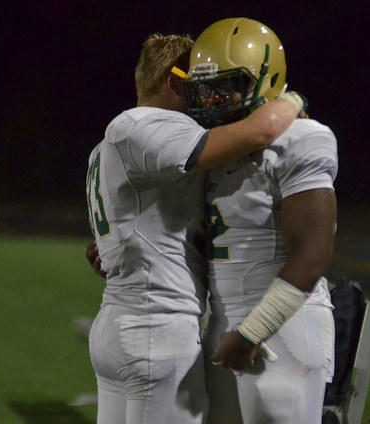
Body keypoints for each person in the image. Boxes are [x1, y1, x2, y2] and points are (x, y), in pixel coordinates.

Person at [85, 33, 305, 424]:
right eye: (201, 85)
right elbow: (262, 131)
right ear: (174, 83)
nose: (210, 98)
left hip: (118, 321)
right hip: (156, 324)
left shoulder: (106, 145)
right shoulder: (144, 125)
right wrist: (292, 100)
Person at [181, 18, 338, 423]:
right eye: (207, 90)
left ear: (267, 81)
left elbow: (313, 255)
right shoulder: (217, 146)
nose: (214, 101)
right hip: (222, 320)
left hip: (280, 329)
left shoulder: (302, 139)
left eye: (227, 87)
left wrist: (252, 332)